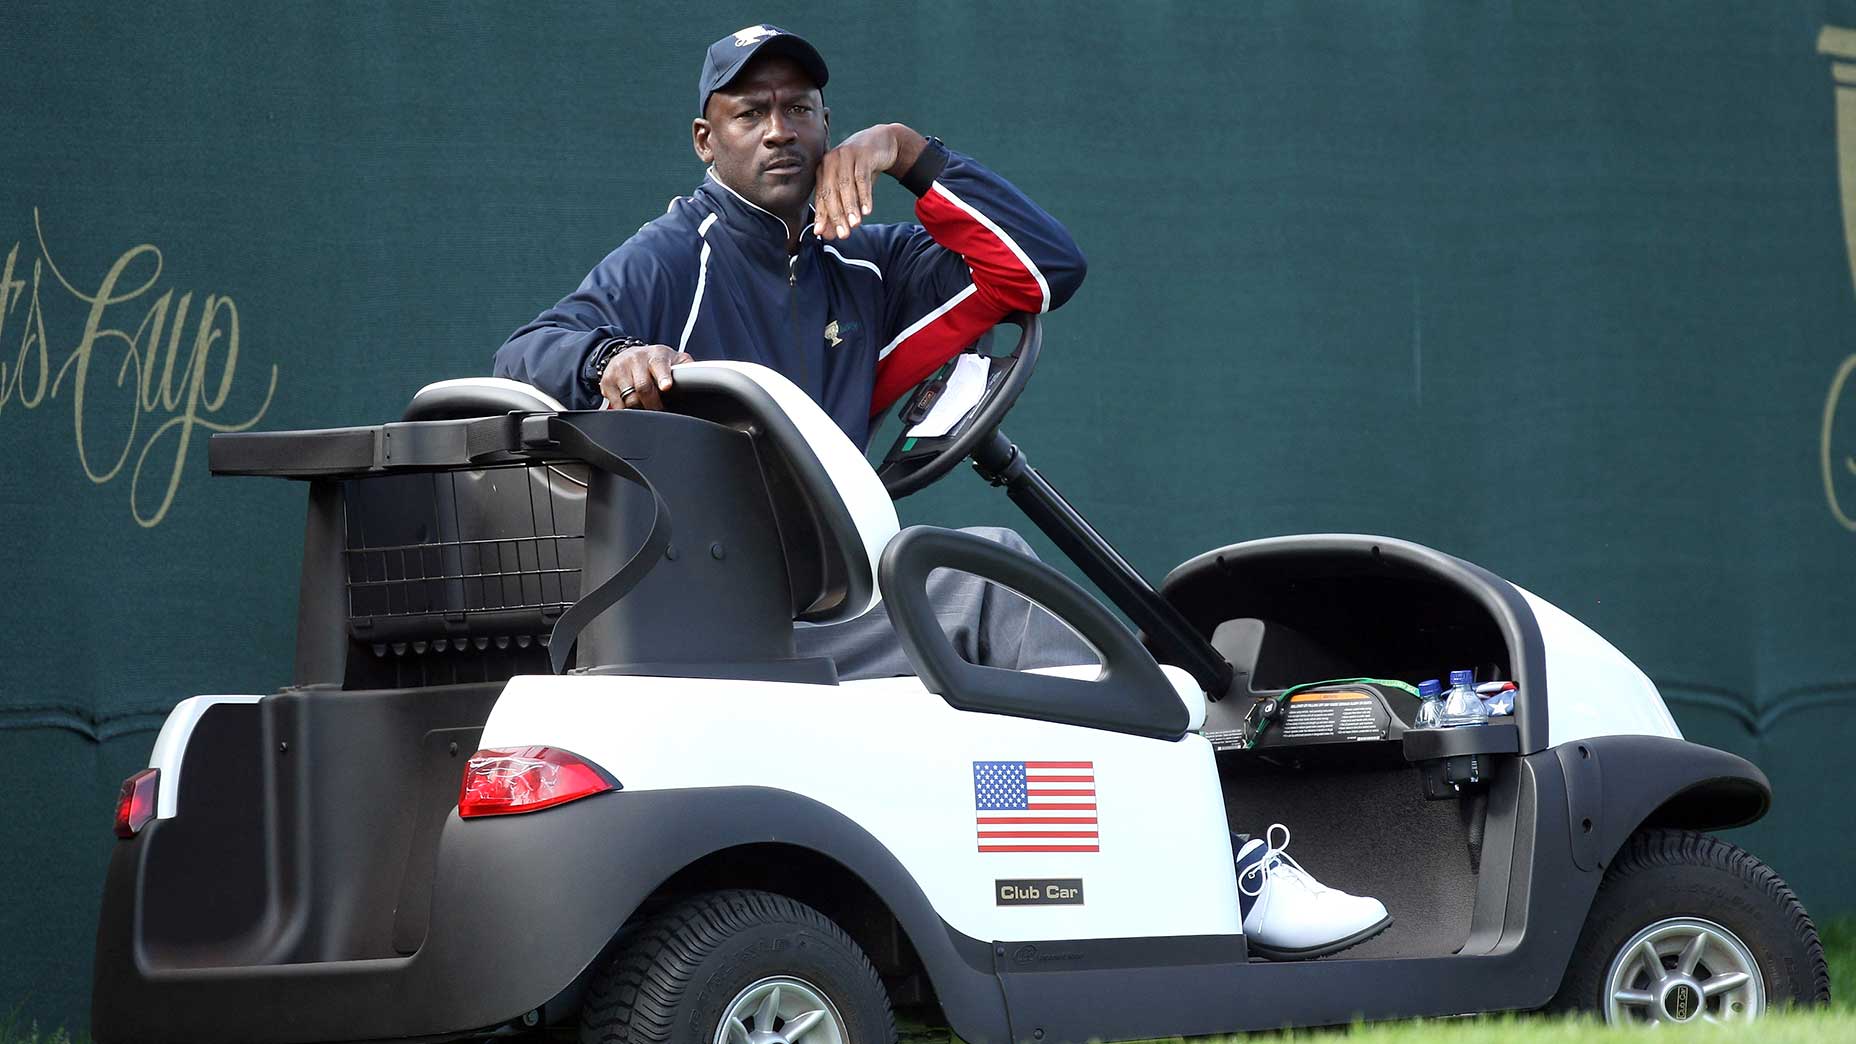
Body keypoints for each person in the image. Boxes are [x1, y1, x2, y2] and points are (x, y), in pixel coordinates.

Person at [494, 24, 1388, 958]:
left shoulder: (866, 267)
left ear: (828, 125)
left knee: (978, 581)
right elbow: (525, 353)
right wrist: (612, 357)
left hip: (818, 599)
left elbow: (1043, 270)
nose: (779, 130)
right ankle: (1219, 865)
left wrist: (907, 153)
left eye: (799, 109)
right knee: (988, 580)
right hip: (730, 619)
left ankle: (1116, 877)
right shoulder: (675, 254)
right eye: (750, 112)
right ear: (704, 139)